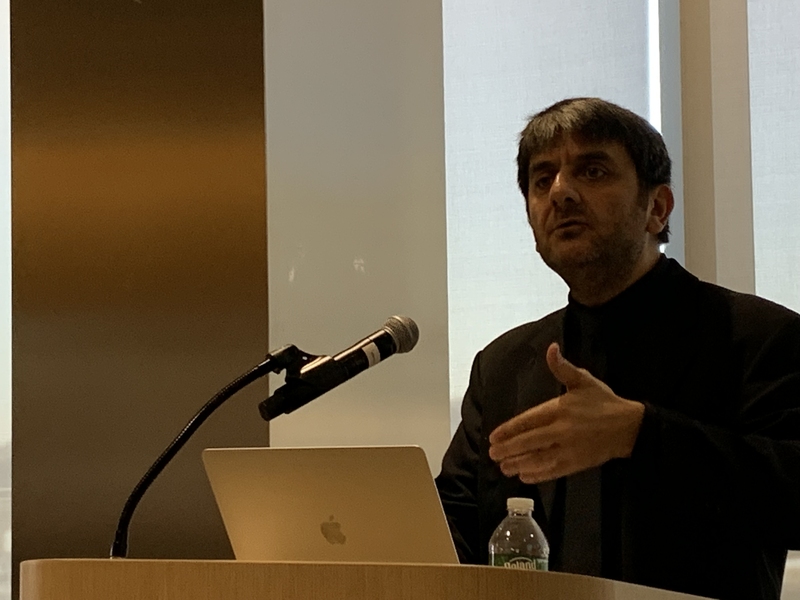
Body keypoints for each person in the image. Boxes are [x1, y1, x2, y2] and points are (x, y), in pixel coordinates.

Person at [435, 97, 800, 600]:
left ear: (657, 208)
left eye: (592, 171)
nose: (560, 192)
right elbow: (451, 528)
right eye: (542, 179)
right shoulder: (503, 365)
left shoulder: (759, 336)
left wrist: (640, 435)